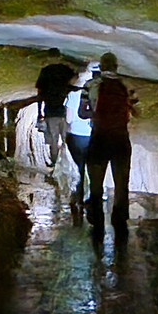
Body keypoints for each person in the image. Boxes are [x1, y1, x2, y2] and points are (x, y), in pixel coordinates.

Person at [79, 51, 138, 241]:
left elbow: (82, 113)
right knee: (122, 184)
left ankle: (96, 222)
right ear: (116, 66)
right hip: (120, 139)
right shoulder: (127, 86)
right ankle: (119, 222)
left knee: (96, 185)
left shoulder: (90, 85)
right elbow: (138, 112)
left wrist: (95, 116)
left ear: (101, 67)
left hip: (99, 139)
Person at [64, 65, 94, 223]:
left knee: (79, 168)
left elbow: (69, 118)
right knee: (93, 166)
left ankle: (79, 198)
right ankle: (95, 198)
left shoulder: (73, 94)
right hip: (93, 134)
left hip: (76, 135)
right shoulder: (95, 91)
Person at [35, 61, 76, 170]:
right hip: (62, 111)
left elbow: (40, 93)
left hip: (51, 112)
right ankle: (67, 162)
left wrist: (39, 112)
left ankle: (55, 163)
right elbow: (74, 77)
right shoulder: (63, 70)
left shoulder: (46, 72)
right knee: (64, 138)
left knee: (54, 139)